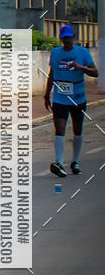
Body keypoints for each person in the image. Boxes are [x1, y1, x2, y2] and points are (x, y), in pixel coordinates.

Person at [44, 24, 98, 176]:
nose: (67, 41)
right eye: (64, 38)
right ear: (60, 39)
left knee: (77, 130)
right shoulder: (55, 52)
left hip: (78, 97)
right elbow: (52, 74)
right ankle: (59, 163)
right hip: (60, 97)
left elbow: (95, 72)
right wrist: (46, 95)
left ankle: (75, 161)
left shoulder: (82, 52)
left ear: (74, 37)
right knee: (59, 129)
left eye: (69, 38)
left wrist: (80, 67)